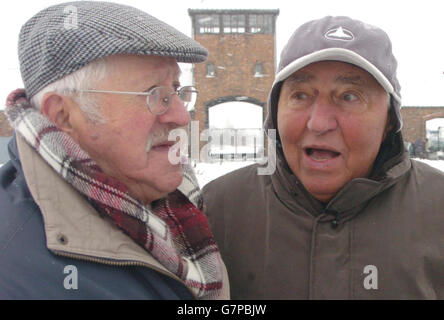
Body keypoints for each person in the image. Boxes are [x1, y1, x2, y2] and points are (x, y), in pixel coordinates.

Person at [202, 16, 444, 299]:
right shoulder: (215, 212)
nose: (319, 123)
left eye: (349, 96)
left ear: (390, 119)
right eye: (301, 95)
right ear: (275, 110)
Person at [0, 1, 229, 299]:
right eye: (154, 94)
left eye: (176, 90)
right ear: (63, 116)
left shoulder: (175, 205)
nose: (181, 117)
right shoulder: (15, 268)